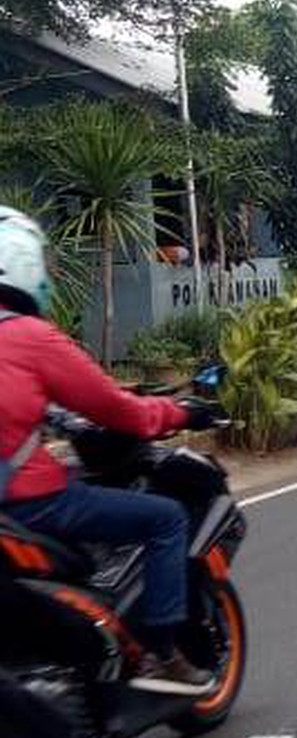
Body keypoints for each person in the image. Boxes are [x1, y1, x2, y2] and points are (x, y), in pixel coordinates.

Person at [0, 207, 215, 696]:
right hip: (26, 502)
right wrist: (180, 413)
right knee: (164, 519)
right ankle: (162, 653)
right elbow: (118, 410)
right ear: (23, 263)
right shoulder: (30, 337)